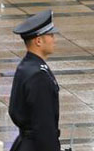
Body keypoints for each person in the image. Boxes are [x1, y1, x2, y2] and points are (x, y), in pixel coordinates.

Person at [9, 10, 61, 151]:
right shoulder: (39, 75)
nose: (54, 39)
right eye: (50, 35)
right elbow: (44, 125)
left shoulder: (27, 66)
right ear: (38, 41)